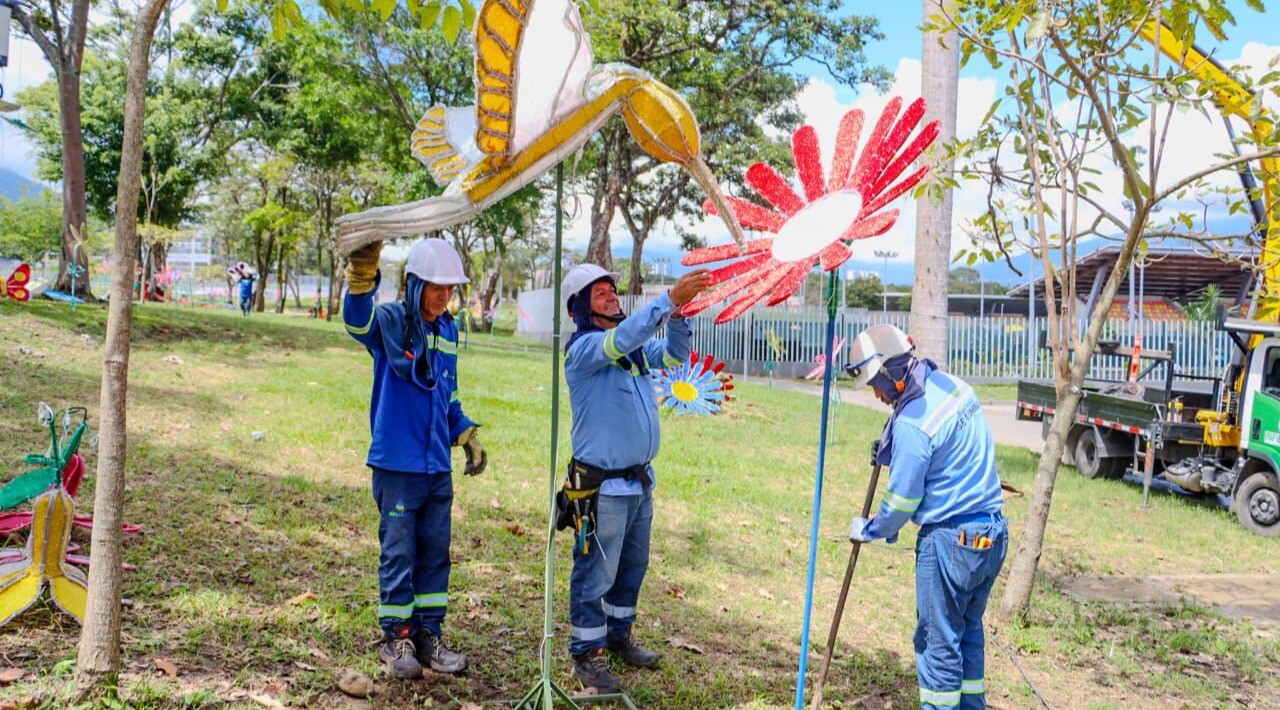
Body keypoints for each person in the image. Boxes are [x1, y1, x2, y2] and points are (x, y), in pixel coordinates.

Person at [557, 263, 710, 693]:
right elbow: (621, 338)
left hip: (638, 484)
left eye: (612, 289)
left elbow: (676, 355)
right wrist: (667, 300)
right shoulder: (584, 350)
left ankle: (618, 634)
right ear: (581, 307)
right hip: (602, 488)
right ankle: (586, 654)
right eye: (600, 293)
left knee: (631, 568)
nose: (611, 296)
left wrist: (679, 317)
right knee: (596, 572)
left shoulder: (635, 353)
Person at [342, 238, 489, 680]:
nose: (444, 297)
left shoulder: (446, 330)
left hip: (435, 466)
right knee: (399, 552)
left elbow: (448, 391)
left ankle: (429, 634)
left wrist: (463, 433)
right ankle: (397, 637)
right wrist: (361, 278)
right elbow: (357, 322)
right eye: (436, 287)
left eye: (451, 288)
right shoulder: (391, 319)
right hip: (399, 464)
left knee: (434, 553)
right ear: (414, 284)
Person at [844, 324, 1007, 710]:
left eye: (875, 384)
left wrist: (869, 529)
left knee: (938, 641)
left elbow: (901, 501)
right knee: (966, 634)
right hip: (991, 534)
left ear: (891, 373)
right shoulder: (953, 386)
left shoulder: (912, 424)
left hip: (950, 542)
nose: (876, 394)